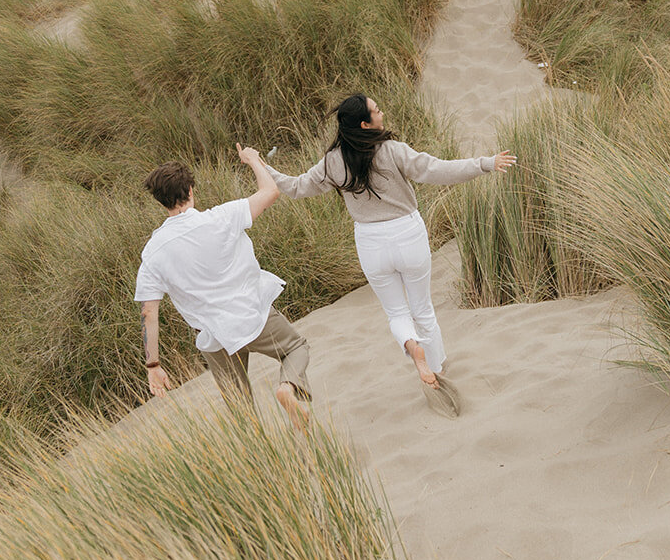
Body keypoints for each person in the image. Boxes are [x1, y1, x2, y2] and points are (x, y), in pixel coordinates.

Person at [261, 94, 515, 417]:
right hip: (407, 235)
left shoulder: (333, 162)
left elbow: (295, 187)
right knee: (423, 309)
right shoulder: (393, 151)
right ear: (366, 124)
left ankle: (413, 349)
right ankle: (437, 369)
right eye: (377, 111)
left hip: (371, 242)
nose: (382, 112)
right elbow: (437, 170)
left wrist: (261, 165)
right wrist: (485, 163)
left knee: (397, 314)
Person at [134, 145, 311, 428]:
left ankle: (262, 460)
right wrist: (253, 160)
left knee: (239, 404)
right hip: (253, 315)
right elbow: (270, 191)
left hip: (214, 335)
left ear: (161, 202)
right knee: (295, 348)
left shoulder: (153, 251)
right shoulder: (222, 217)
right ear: (190, 190)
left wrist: (153, 365)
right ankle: (287, 388)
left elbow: (148, 312)